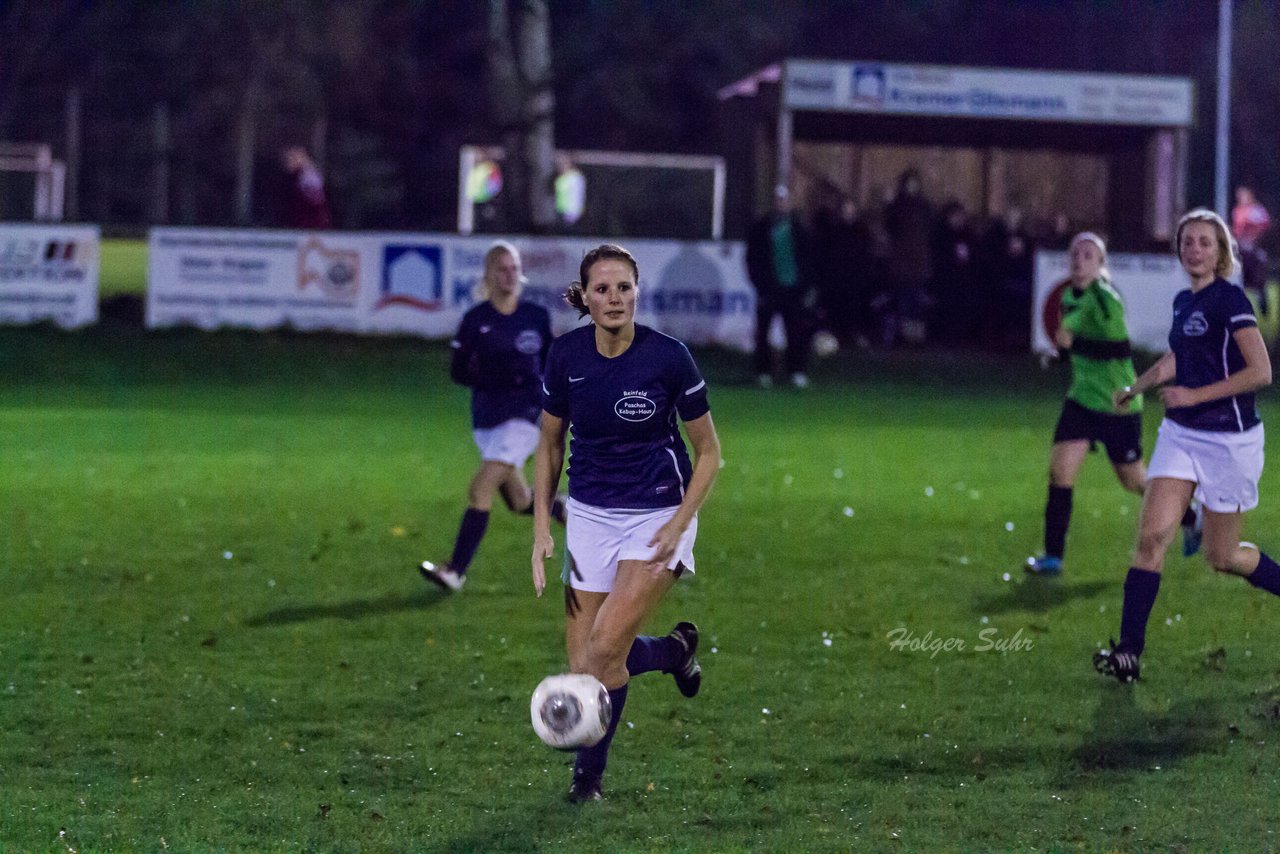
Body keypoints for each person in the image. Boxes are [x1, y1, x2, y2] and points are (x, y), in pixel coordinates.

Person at [530, 243, 721, 802]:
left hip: (659, 514)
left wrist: (681, 521)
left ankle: (586, 781)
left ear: (638, 292)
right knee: (586, 659)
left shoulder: (669, 358)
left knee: (602, 653)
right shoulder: (566, 356)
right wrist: (542, 526)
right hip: (589, 516)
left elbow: (709, 453)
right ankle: (672, 652)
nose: (614, 298)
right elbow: (548, 445)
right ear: (584, 297)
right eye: (602, 289)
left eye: (624, 288)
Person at [1094, 209, 1276, 684]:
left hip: (1230, 441)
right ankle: (1128, 652)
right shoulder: (1183, 301)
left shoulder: (1230, 299)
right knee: (1152, 539)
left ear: (1220, 254)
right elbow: (1181, 356)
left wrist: (1195, 395)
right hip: (1181, 434)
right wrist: (1137, 385)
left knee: (1223, 556)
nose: (1194, 249)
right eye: (1188, 241)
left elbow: (1261, 372)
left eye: (1204, 242)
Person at [419, 241, 561, 592]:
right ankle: (561, 509)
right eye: (501, 268)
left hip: (528, 415)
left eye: (513, 268)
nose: (509, 275)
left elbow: (551, 368)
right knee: (518, 501)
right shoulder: (475, 321)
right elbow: (458, 372)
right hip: (488, 417)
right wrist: (490, 375)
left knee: (481, 487)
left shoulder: (536, 318)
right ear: (488, 275)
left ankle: (455, 571)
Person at [1025, 233, 1159, 575]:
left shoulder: (1105, 299)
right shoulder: (1069, 297)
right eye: (1075, 254)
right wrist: (1057, 358)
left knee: (1132, 481)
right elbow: (1074, 351)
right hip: (1082, 402)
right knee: (1059, 473)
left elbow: (1117, 350)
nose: (1079, 260)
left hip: (1118, 404)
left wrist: (1073, 345)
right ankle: (1053, 557)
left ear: (1101, 265)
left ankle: (1190, 515)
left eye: (1088, 255)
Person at [746, 185, 815, 388]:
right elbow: (753, 259)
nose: (781, 203)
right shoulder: (761, 228)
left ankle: (796, 371)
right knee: (763, 332)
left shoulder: (800, 228)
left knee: (795, 332)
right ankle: (763, 372)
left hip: (793, 289)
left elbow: (809, 259)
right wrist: (760, 285)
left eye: (784, 200)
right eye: (778, 200)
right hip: (769, 289)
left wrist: (807, 286)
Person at [1232, 185, 1271, 310]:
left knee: (1256, 266)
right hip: (1242, 247)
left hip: (1255, 247)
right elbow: (1237, 231)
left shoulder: (1257, 210)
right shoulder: (1237, 211)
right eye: (1239, 195)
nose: (1241, 197)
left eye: (1243, 194)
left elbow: (1263, 230)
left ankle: (1260, 293)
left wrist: (1252, 240)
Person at [280, 146, 332, 229]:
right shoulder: (294, 177)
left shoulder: (309, 177)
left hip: (311, 225)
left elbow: (315, 202)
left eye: (293, 158)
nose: (288, 162)